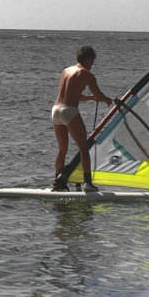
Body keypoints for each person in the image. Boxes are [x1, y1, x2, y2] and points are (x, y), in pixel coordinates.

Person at [51, 45, 113, 192]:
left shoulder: (66, 71)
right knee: (84, 149)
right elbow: (99, 94)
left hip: (55, 110)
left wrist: (91, 98)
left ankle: (58, 182)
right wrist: (106, 100)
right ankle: (88, 183)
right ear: (88, 59)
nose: (92, 65)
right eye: (92, 62)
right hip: (69, 111)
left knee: (62, 150)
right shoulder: (86, 74)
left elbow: (74, 95)